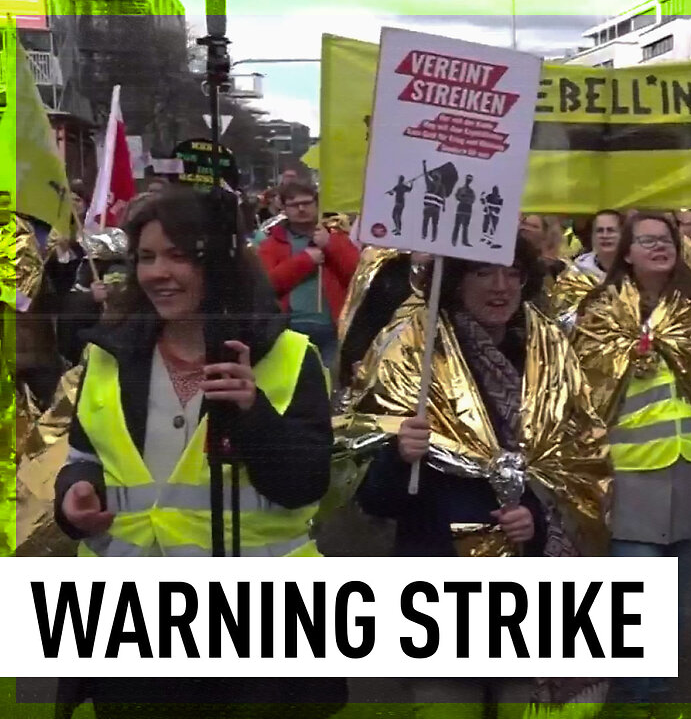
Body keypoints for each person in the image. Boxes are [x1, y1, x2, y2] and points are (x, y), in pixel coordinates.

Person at [53, 187, 343, 717]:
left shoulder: (288, 355)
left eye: (178, 256)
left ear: (222, 262)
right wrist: (74, 492)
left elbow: (306, 483)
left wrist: (254, 415)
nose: (157, 272)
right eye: (145, 257)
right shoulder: (110, 353)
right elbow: (83, 456)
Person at [354, 234, 610, 717]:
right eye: (483, 272)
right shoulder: (411, 354)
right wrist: (399, 457)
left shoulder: (547, 352)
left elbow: (575, 465)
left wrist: (533, 522)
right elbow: (372, 499)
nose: (501, 286)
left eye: (513, 274)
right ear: (453, 281)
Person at [573, 212, 691, 709]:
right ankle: (631, 694)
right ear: (626, 252)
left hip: (690, 465)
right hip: (628, 473)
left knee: (671, 594)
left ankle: (657, 691)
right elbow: (583, 395)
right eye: (646, 240)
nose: (658, 247)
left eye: (665, 239)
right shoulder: (600, 312)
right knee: (634, 597)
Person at [255, 182, 360, 368]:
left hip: (332, 331)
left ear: (317, 204)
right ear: (284, 208)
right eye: (294, 205)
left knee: (329, 389)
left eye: (307, 203)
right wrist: (305, 261)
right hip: (288, 330)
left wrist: (330, 245)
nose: (301, 209)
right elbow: (267, 285)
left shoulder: (336, 238)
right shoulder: (270, 243)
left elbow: (356, 275)